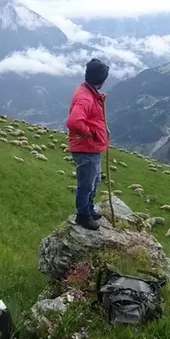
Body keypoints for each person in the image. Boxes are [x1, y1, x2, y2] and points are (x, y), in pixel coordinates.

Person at [65, 58, 110, 231]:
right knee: (86, 183)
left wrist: (98, 98)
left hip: (92, 148)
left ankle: (89, 208)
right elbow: (74, 121)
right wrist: (89, 134)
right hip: (86, 148)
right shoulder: (85, 98)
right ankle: (83, 215)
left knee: (94, 180)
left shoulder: (88, 92)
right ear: (101, 80)